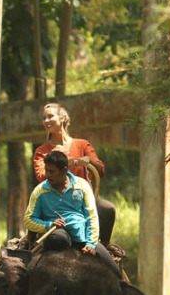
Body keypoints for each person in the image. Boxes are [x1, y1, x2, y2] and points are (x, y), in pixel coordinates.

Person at [34, 101, 115, 247]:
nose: (46, 121)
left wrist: (88, 160)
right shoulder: (42, 151)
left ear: (62, 118)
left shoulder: (82, 145)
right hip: (53, 205)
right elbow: (40, 175)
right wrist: (63, 164)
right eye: (44, 118)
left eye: (50, 116)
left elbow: (100, 170)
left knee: (108, 209)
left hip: (83, 202)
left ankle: (105, 246)